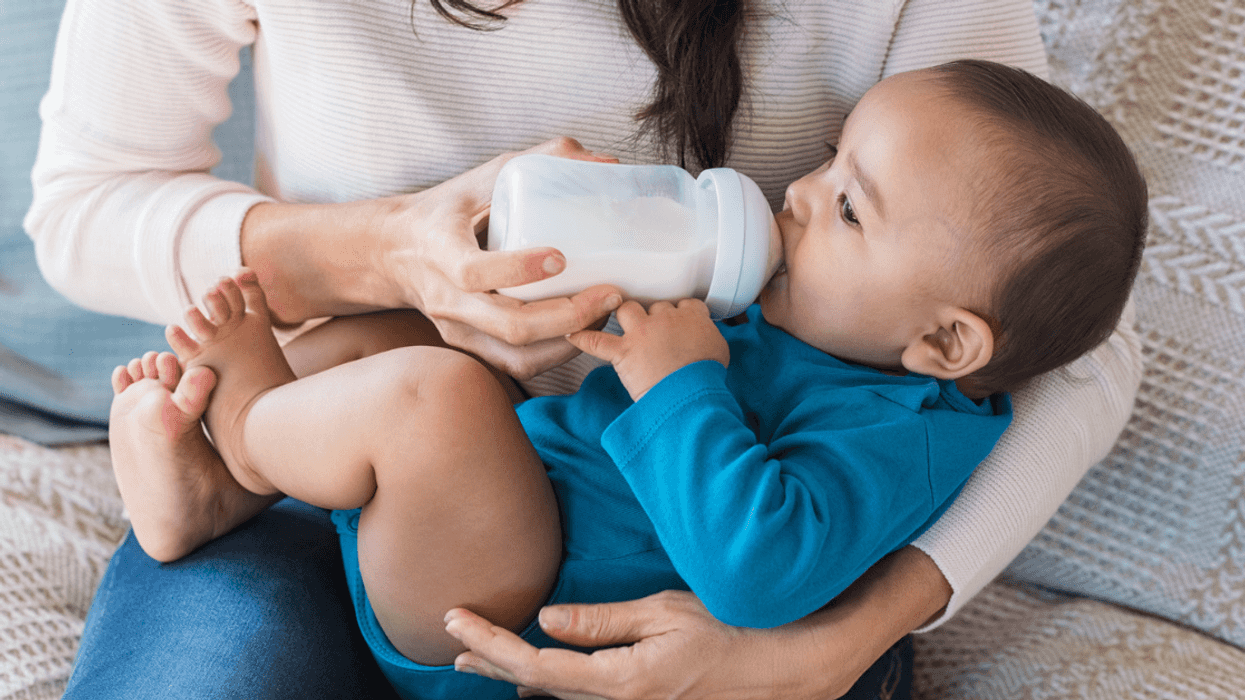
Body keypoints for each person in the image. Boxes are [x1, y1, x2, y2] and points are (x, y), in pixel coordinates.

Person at [25, 1, 1144, 698]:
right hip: (430, 500)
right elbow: (83, 206)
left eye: (846, 201)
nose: (794, 194)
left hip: (582, 598)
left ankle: (246, 433)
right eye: (828, 167)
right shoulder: (805, 331)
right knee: (393, 345)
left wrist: (836, 642)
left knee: (429, 397)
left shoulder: (881, 379)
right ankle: (228, 472)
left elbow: (1071, 338)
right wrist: (382, 251)